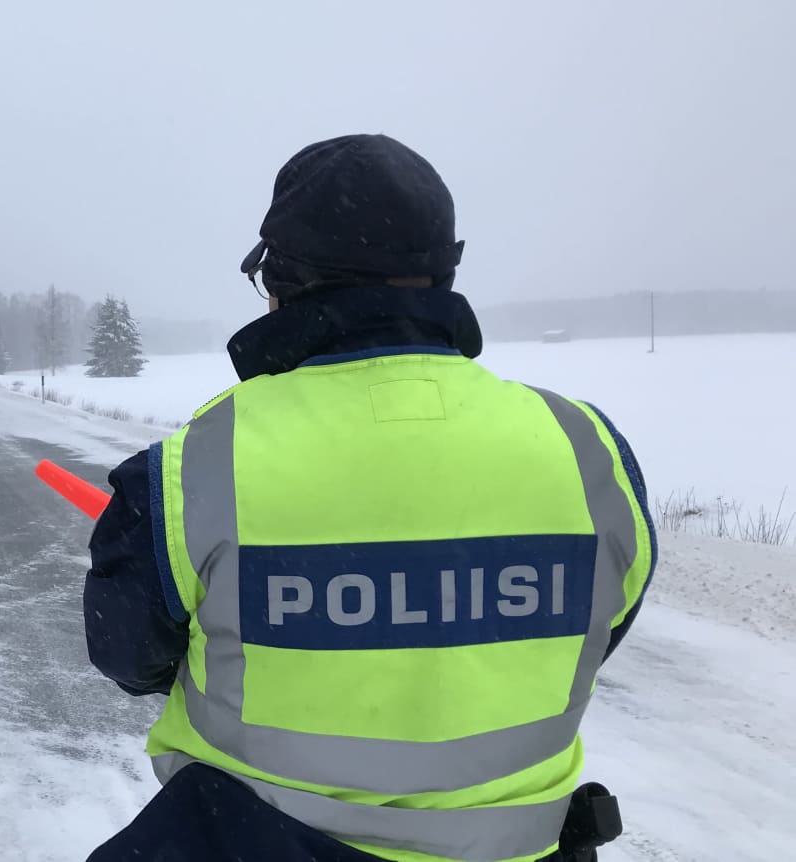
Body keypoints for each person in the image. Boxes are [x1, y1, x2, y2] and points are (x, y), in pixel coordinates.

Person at [82, 134, 654, 862]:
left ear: (283, 278)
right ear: (445, 270)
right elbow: (595, 633)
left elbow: (130, 659)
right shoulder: (587, 448)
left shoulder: (193, 469)